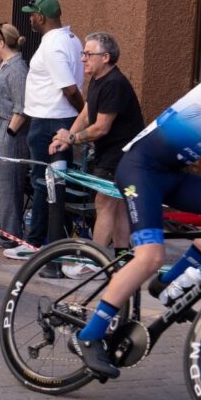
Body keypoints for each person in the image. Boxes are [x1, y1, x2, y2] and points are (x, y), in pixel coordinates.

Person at [69, 40, 201, 379]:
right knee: (149, 256)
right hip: (140, 169)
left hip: (171, 176)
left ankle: (170, 283)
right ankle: (89, 335)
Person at [50, 32, 144, 277]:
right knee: (119, 205)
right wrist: (66, 138)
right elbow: (87, 112)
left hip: (121, 153)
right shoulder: (98, 80)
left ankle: (93, 261)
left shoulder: (114, 83)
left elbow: (101, 127)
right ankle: (123, 259)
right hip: (112, 153)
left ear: (106, 57)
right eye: (82, 53)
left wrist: (71, 139)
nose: (83, 59)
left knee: (104, 203)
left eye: (88, 54)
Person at [10, 0, 83, 260]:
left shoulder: (53, 46)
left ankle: (35, 243)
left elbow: (70, 89)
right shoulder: (72, 40)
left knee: (43, 182)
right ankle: (51, 239)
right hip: (56, 119)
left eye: (32, 14)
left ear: (42, 17)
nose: (30, 18)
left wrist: (81, 112)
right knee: (53, 181)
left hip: (51, 121)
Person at [0, 24, 29, 249]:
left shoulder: (18, 69)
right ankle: (3, 231)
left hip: (8, 131)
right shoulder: (3, 65)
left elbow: (21, 108)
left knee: (7, 184)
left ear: (2, 43)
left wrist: (9, 133)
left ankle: (10, 235)